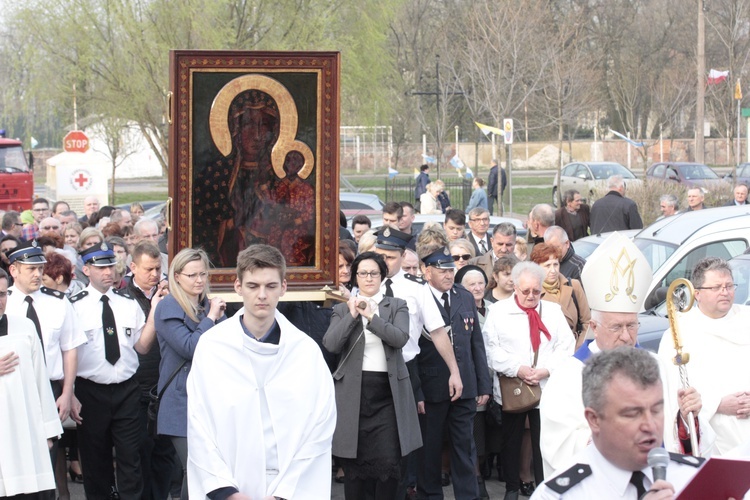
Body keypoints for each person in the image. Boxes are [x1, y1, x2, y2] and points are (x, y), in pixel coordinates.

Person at [539, 232, 710, 477]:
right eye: (616, 327)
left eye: (631, 326)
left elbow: (680, 440)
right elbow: (560, 447)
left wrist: (685, 417)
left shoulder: (657, 367)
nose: (626, 336)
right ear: (594, 328)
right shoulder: (568, 377)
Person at [186, 244, 336, 499]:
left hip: (291, 488)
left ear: (284, 288)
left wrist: (285, 493)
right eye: (253, 286)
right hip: (230, 484)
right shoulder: (212, 348)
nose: (262, 295)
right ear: (238, 287)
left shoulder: (305, 352)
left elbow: (320, 428)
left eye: (271, 286)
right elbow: (199, 426)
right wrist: (227, 491)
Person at [531, 347, 704, 499]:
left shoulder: (693, 477)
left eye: (656, 410)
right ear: (594, 420)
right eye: (632, 414)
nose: (650, 425)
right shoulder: (559, 495)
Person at [323, 251, 420, 499]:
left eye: (374, 273)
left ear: (382, 276)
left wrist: (371, 317)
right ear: (355, 277)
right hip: (355, 395)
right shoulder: (342, 310)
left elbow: (399, 338)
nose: (368, 278)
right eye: (363, 273)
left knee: (388, 465)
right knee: (355, 469)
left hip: (387, 396)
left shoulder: (396, 305)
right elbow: (331, 344)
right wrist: (354, 313)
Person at [71, 242, 162, 498]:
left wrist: (154, 312)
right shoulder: (74, 306)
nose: (108, 272)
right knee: (95, 458)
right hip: (91, 390)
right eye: (100, 268)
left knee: (130, 456)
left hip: (126, 390)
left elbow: (142, 347)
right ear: (86, 270)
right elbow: (69, 353)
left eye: (110, 266)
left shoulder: (127, 302)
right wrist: (71, 392)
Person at [483, 261, 575, 499]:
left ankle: (546, 489)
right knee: (511, 441)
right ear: (514, 287)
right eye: (526, 291)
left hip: (546, 388)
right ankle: (511, 488)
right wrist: (518, 368)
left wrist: (545, 370)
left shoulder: (552, 312)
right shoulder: (499, 312)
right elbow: (490, 350)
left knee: (544, 443)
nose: (532, 296)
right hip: (514, 387)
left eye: (537, 291)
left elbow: (566, 347)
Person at [416, 242, 491, 500]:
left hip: (466, 387)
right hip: (432, 387)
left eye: (450, 270)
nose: (449, 275)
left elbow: (476, 344)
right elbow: (412, 350)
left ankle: (468, 496)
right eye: (442, 270)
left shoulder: (464, 296)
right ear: (427, 272)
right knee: (430, 449)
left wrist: (483, 384)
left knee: (464, 449)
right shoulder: (418, 298)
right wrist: (417, 392)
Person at [657, 256, 750, 455]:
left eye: (729, 286)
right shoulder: (679, 333)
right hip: (712, 442)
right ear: (697, 293)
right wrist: (717, 404)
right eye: (716, 287)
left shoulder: (747, 320)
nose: (725, 292)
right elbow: (674, 394)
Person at [154, 248, 226, 500]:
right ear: (177, 276)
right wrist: (211, 318)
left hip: (210, 400)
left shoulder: (210, 306)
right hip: (179, 402)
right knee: (194, 469)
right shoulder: (167, 307)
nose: (199, 280)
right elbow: (190, 348)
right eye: (192, 275)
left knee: (207, 471)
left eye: (203, 274)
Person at [7, 240, 85, 464]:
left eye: (40, 268)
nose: (37, 274)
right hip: (14, 386)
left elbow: (69, 349)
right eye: (31, 269)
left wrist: (67, 392)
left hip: (49, 388)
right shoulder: (6, 302)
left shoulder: (58, 303)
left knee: (48, 454)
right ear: (13, 270)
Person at [0, 267, 63, 499]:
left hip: (24, 431)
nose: (0, 300)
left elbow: (40, 382)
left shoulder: (24, 327)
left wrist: (47, 433)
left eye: (2, 294)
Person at [124, 241, 175, 499]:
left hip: (165, 380)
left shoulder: (170, 291)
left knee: (165, 453)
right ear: (133, 267)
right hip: (137, 385)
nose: (155, 274)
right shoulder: (123, 295)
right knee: (141, 451)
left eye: (158, 268)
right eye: (148, 269)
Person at [530, 243, 590, 348]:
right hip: (548, 352)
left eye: (555, 264)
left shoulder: (574, 285)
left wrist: (579, 348)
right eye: (547, 266)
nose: (553, 270)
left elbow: (587, 322)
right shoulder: (532, 292)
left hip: (575, 349)